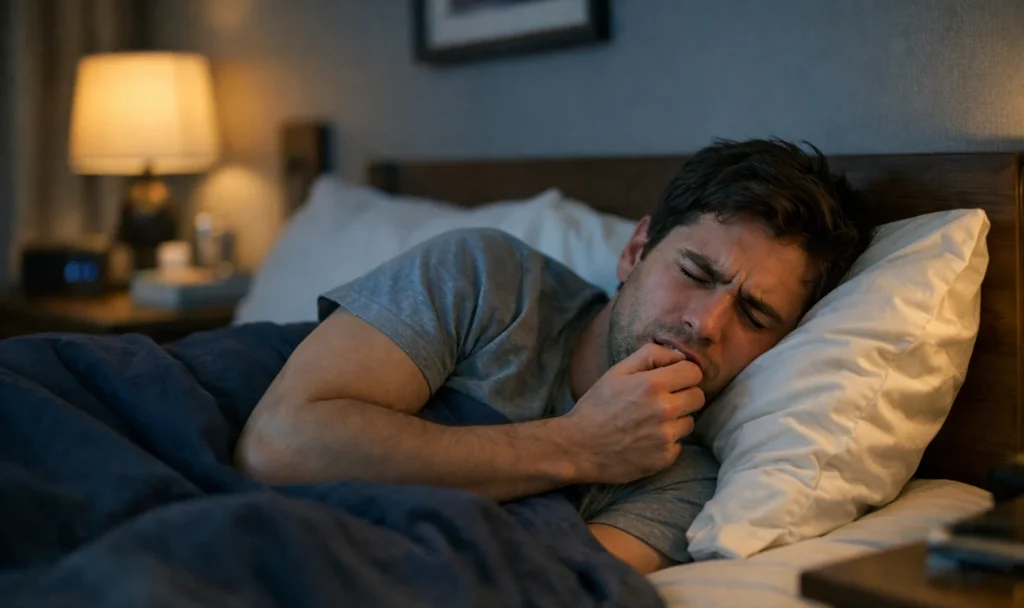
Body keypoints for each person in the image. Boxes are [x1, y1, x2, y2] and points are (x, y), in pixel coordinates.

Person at [235, 139, 871, 574]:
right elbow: (278, 445)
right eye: (696, 272)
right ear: (636, 250)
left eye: (754, 315)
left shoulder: (686, 484)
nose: (705, 323)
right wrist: (579, 445)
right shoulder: (487, 279)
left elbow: (513, 596)